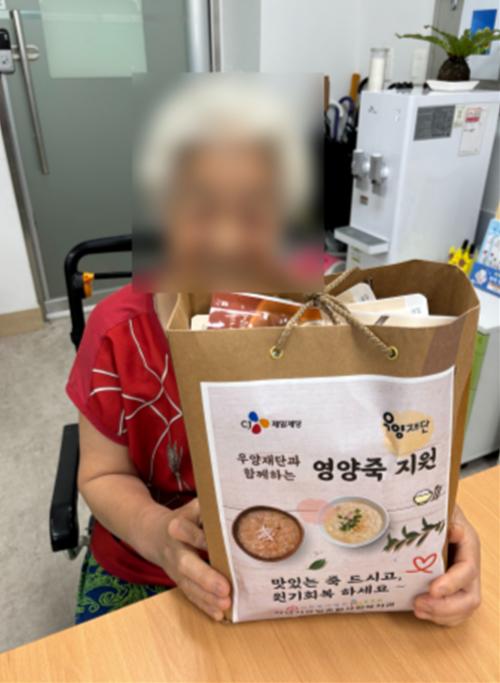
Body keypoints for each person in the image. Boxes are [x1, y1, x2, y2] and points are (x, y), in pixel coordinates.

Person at [67, 77, 481, 626]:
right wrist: (158, 536)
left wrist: (442, 529)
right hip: (149, 565)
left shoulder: (327, 313)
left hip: (300, 565)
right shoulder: (117, 333)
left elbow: (380, 452)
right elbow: (100, 476)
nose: (227, 240)